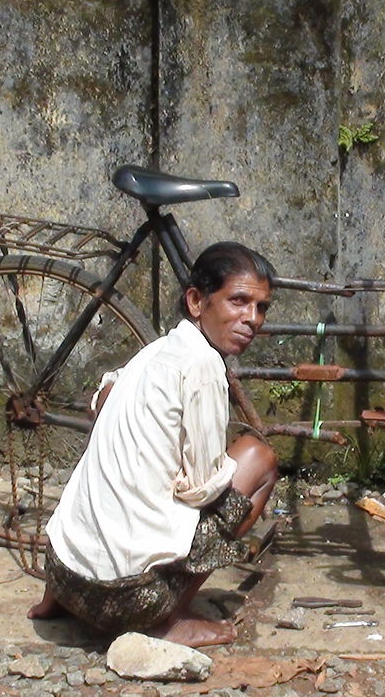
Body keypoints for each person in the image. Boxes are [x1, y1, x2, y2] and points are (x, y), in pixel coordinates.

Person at [28, 241, 278, 647]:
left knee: (104, 477)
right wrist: (222, 467)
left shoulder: (156, 351)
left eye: (261, 307)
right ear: (196, 301)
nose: (252, 319)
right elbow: (202, 489)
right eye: (238, 301)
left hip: (63, 573)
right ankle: (168, 621)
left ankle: (54, 602)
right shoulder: (202, 365)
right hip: (124, 603)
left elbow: (102, 398)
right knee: (258, 457)